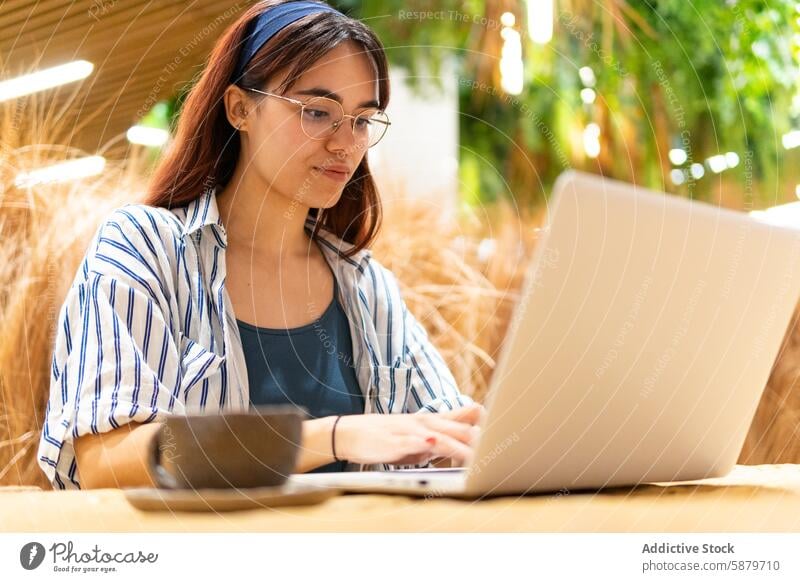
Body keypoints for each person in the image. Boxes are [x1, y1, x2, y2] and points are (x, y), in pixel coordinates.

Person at [37, 0, 483, 490]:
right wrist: (330, 438)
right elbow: (107, 462)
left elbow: (442, 433)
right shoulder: (145, 248)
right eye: (318, 112)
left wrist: (476, 442)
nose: (346, 144)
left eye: (362, 120)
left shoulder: (364, 285)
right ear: (239, 108)